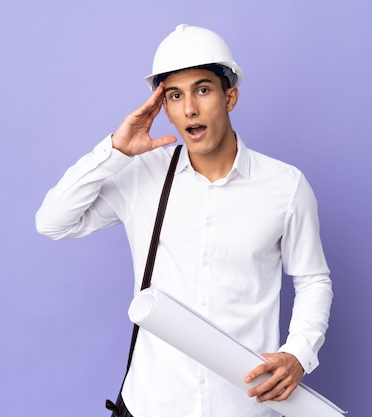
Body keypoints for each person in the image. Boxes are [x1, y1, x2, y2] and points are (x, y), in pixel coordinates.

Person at [35, 23, 333, 417]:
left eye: (203, 90)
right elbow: (53, 221)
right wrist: (114, 150)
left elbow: (313, 279)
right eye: (175, 96)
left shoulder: (285, 186)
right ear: (165, 108)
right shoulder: (141, 173)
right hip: (152, 405)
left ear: (231, 97)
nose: (190, 108)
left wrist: (297, 353)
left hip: (243, 409)